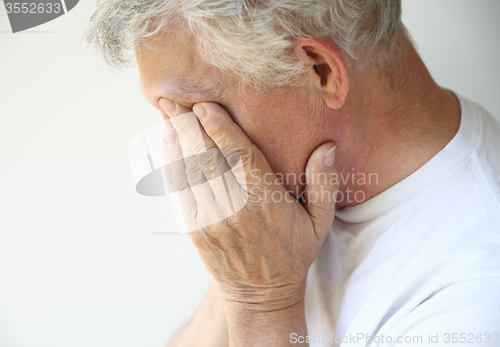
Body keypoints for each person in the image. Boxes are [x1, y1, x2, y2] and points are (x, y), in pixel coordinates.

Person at [86, 0, 500, 346]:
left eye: (193, 110)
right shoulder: (287, 193)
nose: (181, 142)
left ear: (319, 71)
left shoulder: (475, 297)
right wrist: (237, 275)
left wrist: (263, 306)